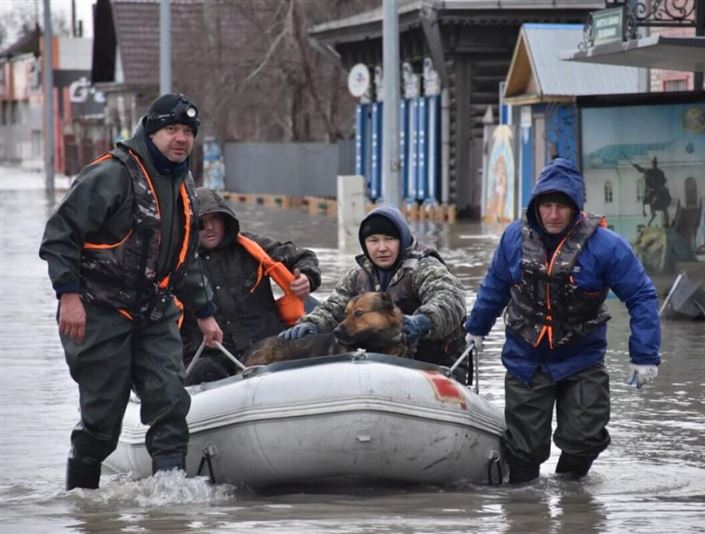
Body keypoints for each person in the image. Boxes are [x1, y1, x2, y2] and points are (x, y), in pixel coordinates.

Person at [39, 93, 224, 490]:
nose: (181, 139)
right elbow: (59, 236)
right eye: (171, 129)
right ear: (151, 131)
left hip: (155, 311)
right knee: (103, 420)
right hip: (100, 309)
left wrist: (205, 313)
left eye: (188, 132)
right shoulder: (111, 175)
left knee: (171, 401)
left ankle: (170, 502)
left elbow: (185, 258)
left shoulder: (183, 183)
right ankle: (82, 498)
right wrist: (68, 297)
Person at [464, 158, 660, 483]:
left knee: (586, 437)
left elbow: (641, 295)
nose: (553, 215)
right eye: (547, 206)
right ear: (536, 207)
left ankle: (572, 498)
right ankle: (526, 510)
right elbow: (494, 285)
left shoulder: (606, 246)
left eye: (561, 207)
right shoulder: (514, 238)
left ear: (576, 209)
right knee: (524, 449)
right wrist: (475, 329)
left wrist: (645, 356)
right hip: (526, 357)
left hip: (581, 357)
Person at [279, 206, 468, 378]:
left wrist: (423, 321)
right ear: (365, 244)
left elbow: (450, 298)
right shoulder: (358, 276)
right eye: (374, 240)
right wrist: (311, 324)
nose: (382, 248)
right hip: (382, 365)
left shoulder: (425, 268)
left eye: (389, 239)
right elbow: (333, 308)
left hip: (436, 364)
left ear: (402, 239)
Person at [181, 187, 321, 382]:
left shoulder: (252, 246)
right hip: (212, 355)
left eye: (215, 219)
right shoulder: (176, 263)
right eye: (201, 223)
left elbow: (303, 256)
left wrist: (307, 276)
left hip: (266, 346)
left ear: (226, 220)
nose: (210, 227)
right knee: (201, 371)